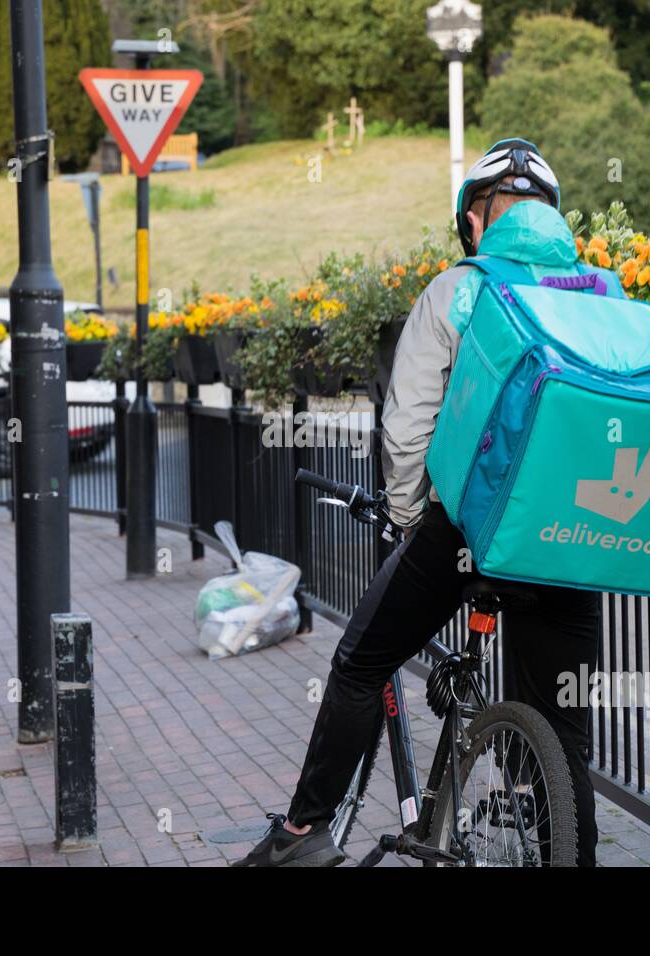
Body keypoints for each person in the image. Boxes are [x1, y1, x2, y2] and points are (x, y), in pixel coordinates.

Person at [233, 140, 611, 867]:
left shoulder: (458, 289)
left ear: (476, 219)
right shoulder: (601, 292)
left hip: (469, 529)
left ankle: (305, 835)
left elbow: (407, 427)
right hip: (569, 534)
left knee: (360, 662)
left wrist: (410, 520)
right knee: (562, 738)